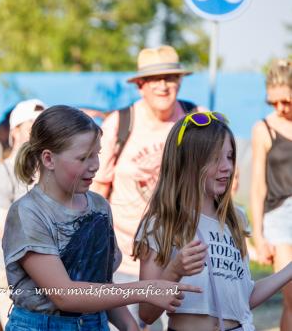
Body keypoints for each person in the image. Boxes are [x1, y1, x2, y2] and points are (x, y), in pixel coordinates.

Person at [2, 105, 201, 331]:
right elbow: (65, 295)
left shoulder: (99, 206)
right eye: (83, 157)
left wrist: (129, 325)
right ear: (48, 159)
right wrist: (147, 289)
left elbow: (101, 285)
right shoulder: (28, 212)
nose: (95, 165)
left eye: (96, 154)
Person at [132, 112, 292, 331]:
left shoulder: (235, 219)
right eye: (216, 158)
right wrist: (174, 270)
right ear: (188, 162)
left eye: (230, 156)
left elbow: (244, 299)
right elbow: (147, 314)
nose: (227, 166)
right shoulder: (160, 224)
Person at [91, 45, 203, 327]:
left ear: (179, 81)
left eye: (170, 78)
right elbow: (98, 191)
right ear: (140, 85)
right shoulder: (121, 122)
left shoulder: (197, 119)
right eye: (154, 79)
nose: (163, 86)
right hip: (127, 261)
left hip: (187, 262)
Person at [0, 98, 45, 329]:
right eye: (33, 126)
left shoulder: (55, 172)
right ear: (15, 131)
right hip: (14, 278)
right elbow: (9, 231)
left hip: (54, 276)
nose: (40, 132)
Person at [250, 58, 292, 330]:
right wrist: (259, 234)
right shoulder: (263, 128)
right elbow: (257, 186)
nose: (280, 108)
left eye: (286, 101)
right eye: (273, 102)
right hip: (279, 218)